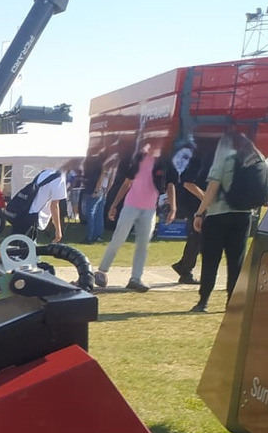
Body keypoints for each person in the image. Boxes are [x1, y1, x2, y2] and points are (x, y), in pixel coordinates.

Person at [93, 141, 175, 292]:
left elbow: (171, 184)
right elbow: (126, 183)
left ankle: (136, 278)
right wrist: (115, 205)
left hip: (149, 209)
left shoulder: (164, 162)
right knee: (118, 239)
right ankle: (102, 271)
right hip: (131, 205)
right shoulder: (138, 158)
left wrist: (173, 208)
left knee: (143, 245)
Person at [190, 130, 257, 313]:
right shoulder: (251, 154)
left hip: (219, 214)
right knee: (236, 261)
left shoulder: (224, 153)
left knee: (211, 259)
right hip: (243, 215)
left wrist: (199, 213)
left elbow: (213, 187)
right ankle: (232, 303)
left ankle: (203, 301)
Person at [168, 139, 204, 286]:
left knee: (197, 240)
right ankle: (185, 270)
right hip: (194, 206)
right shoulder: (197, 162)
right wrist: (206, 198)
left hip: (197, 205)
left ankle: (184, 267)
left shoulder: (198, 161)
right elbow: (188, 183)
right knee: (196, 239)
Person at [9, 167, 66, 243]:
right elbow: (54, 206)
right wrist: (58, 230)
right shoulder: (59, 178)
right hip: (34, 217)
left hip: (23, 212)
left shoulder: (44, 173)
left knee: (15, 245)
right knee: (27, 250)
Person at [79, 151, 106, 243]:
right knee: (99, 214)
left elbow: (100, 176)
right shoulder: (102, 162)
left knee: (90, 214)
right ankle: (98, 235)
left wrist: (96, 189)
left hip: (92, 190)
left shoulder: (89, 162)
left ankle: (90, 237)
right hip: (100, 190)